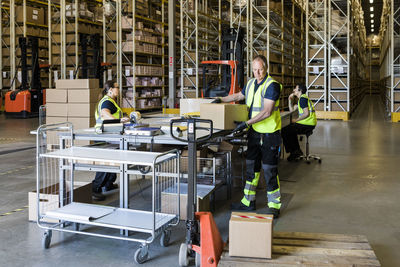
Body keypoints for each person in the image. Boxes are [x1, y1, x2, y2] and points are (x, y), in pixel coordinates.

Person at [212, 55, 282, 217]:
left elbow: (267, 111)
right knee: (252, 168)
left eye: (260, 69)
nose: (257, 73)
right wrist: (220, 99)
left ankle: (274, 204)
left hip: (269, 134)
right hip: (254, 134)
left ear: (266, 68)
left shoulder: (272, 86)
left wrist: (246, 123)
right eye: (255, 69)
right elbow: (238, 96)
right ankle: (248, 201)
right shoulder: (251, 83)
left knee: (269, 169)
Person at [92, 80, 129, 201]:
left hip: (109, 135)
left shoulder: (111, 101)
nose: (119, 89)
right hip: (103, 136)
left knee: (113, 160)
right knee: (105, 163)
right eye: (117, 87)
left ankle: (108, 184)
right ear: (110, 90)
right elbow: (104, 114)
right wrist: (119, 121)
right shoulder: (107, 101)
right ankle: (95, 189)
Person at [281, 84, 317, 161]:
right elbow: (292, 111)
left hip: (307, 124)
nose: (294, 90)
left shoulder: (303, 99)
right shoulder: (301, 99)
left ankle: (294, 152)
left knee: (285, 130)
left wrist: (296, 120)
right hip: (308, 123)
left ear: (300, 91)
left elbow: (306, 113)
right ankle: (296, 151)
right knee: (290, 129)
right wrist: (289, 100)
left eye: (295, 88)